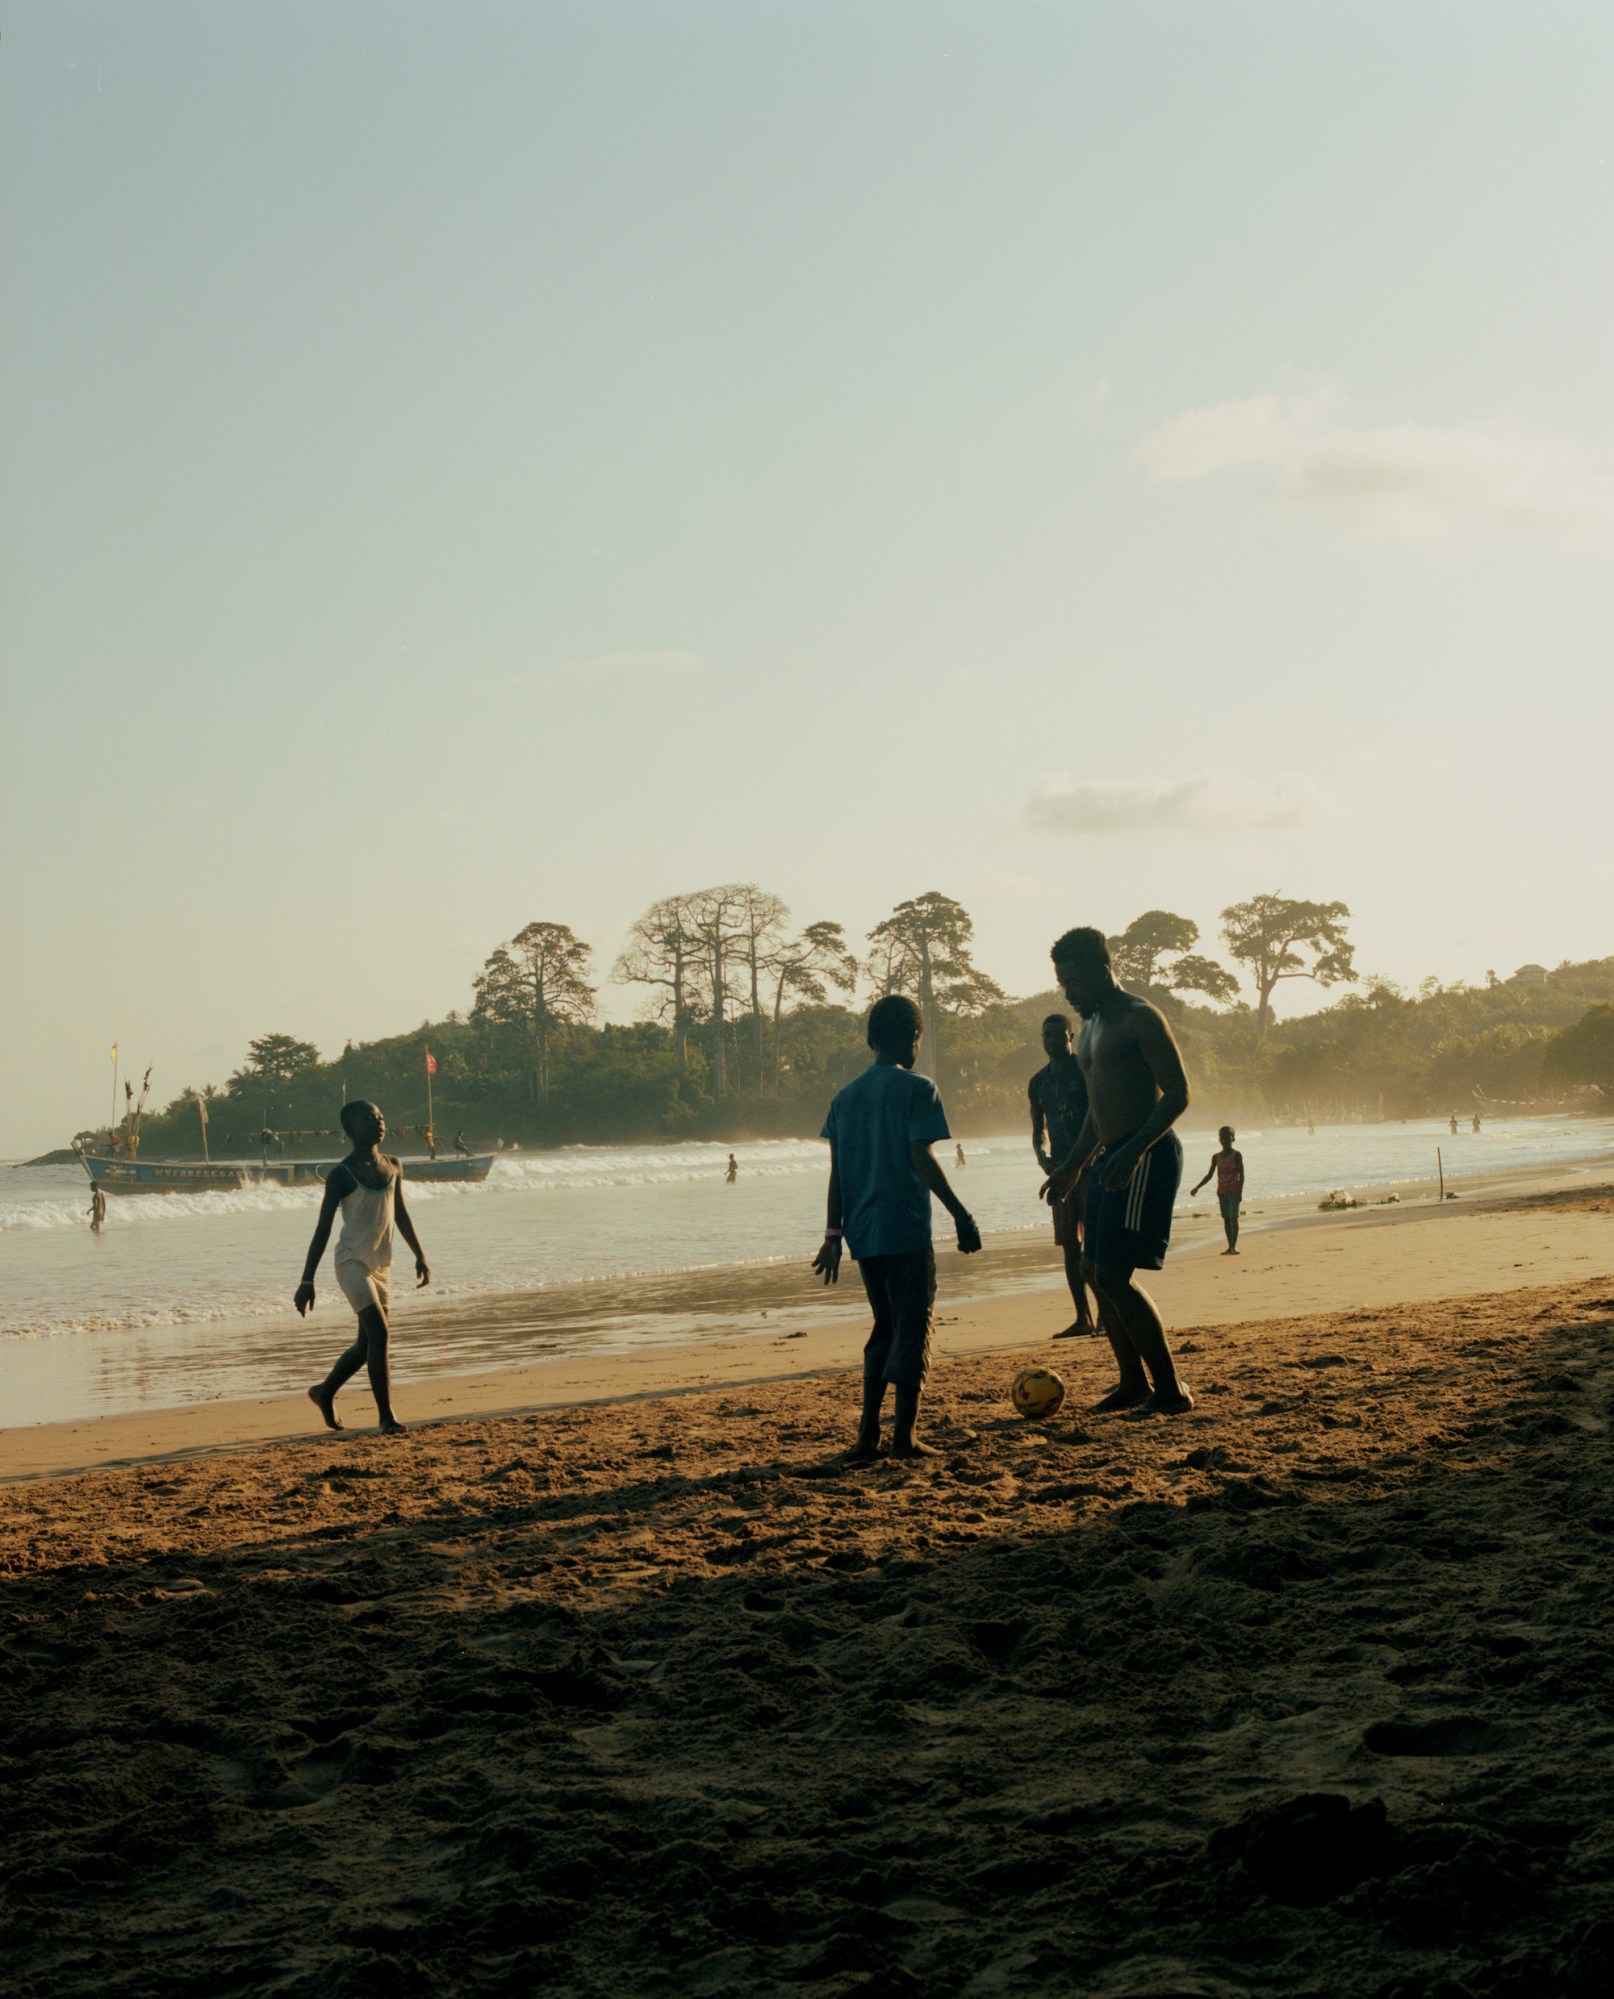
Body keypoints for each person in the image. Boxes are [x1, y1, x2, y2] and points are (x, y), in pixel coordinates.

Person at [813, 994, 980, 1459]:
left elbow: (838, 1173)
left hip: (864, 1234)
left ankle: (868, 1434)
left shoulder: (844, 1097)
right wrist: (961, 1215)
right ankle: (904, 1436)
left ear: (870, 1040)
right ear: (913, 1037)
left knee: (884, 1325)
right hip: (904, 1229)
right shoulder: (917, 1089)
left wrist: (833, 1235)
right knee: (913, 1325)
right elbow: (920, 1158)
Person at [1041, 927, 1193, 1416]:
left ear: (1102, 970)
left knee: (1113, 1275)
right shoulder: (1088, 1027)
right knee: (1091, 1268)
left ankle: (1170, 1390)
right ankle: (1132, 1383)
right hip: (1110, 1157)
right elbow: (1097, 1110)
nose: (1068, 993)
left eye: (1074, 983)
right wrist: (1071, 1166)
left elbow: (1178, 1095)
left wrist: (1133, 1152)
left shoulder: (1139, 1018)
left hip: (1145, 1156)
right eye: (1062, 983)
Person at [295, 1101, 430, 1435]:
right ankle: (386, 1417)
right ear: (350, 1129)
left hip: (380, 1266)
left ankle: (324, 1391)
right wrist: (306, 1280)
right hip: (351, 1263)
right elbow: (323, 1228)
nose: (378, 1121)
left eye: (381, 1116)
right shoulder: (342, 1174)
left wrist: (420, 1254)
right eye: (369, 1117)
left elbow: (400, 1214)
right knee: (380, 1334)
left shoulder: (394, 1165)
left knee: (364, 1345)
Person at [1028, 1013, 1098, 1338]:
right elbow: (1038, 1129)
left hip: (1092, 1166)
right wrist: (1043, 1158)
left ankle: (1109, 1315)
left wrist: (1081, 1162)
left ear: (1071, 1036)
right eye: (1047, 1035)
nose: (1052, 1041)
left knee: (1097, 1247)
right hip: (1059, 1171)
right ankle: (1083, 1317)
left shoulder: (1084, 1071)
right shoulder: (1038, 1082)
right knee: (1071, 1246)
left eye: (1058, 1035)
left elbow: (1099, 1117)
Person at [1191, 1126, 1245, 1254]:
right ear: (1219, 1139)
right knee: (1226, 1218)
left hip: (1233, 1191)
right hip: (1222, 1192)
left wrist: (1240, 1192)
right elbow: (1209, 1175)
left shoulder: (1236, 1155)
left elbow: (1242, 1174)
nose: (1224, 1140)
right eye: (1222, 1137)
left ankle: (1234, 1246)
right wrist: (1197, 1187)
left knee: (1234, 1218)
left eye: (1227, 1137)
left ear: (1233, 1139)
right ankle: (1229, 1246)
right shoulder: (1216, 1157)